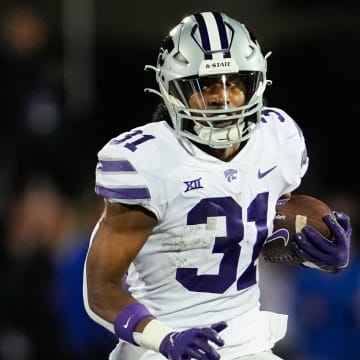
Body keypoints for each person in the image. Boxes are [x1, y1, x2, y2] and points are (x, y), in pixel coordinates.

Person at [82, 11, 351, 360]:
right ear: (172, 90)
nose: (221, 97)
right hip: (162, 345)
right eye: (205, 85)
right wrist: (164, 338)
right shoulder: (145, 161)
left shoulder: (276, 138)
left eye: (234, 83)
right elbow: (100, 289)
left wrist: (314, 249)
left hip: (246, 343)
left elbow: (241, 233)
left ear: (255, 85)